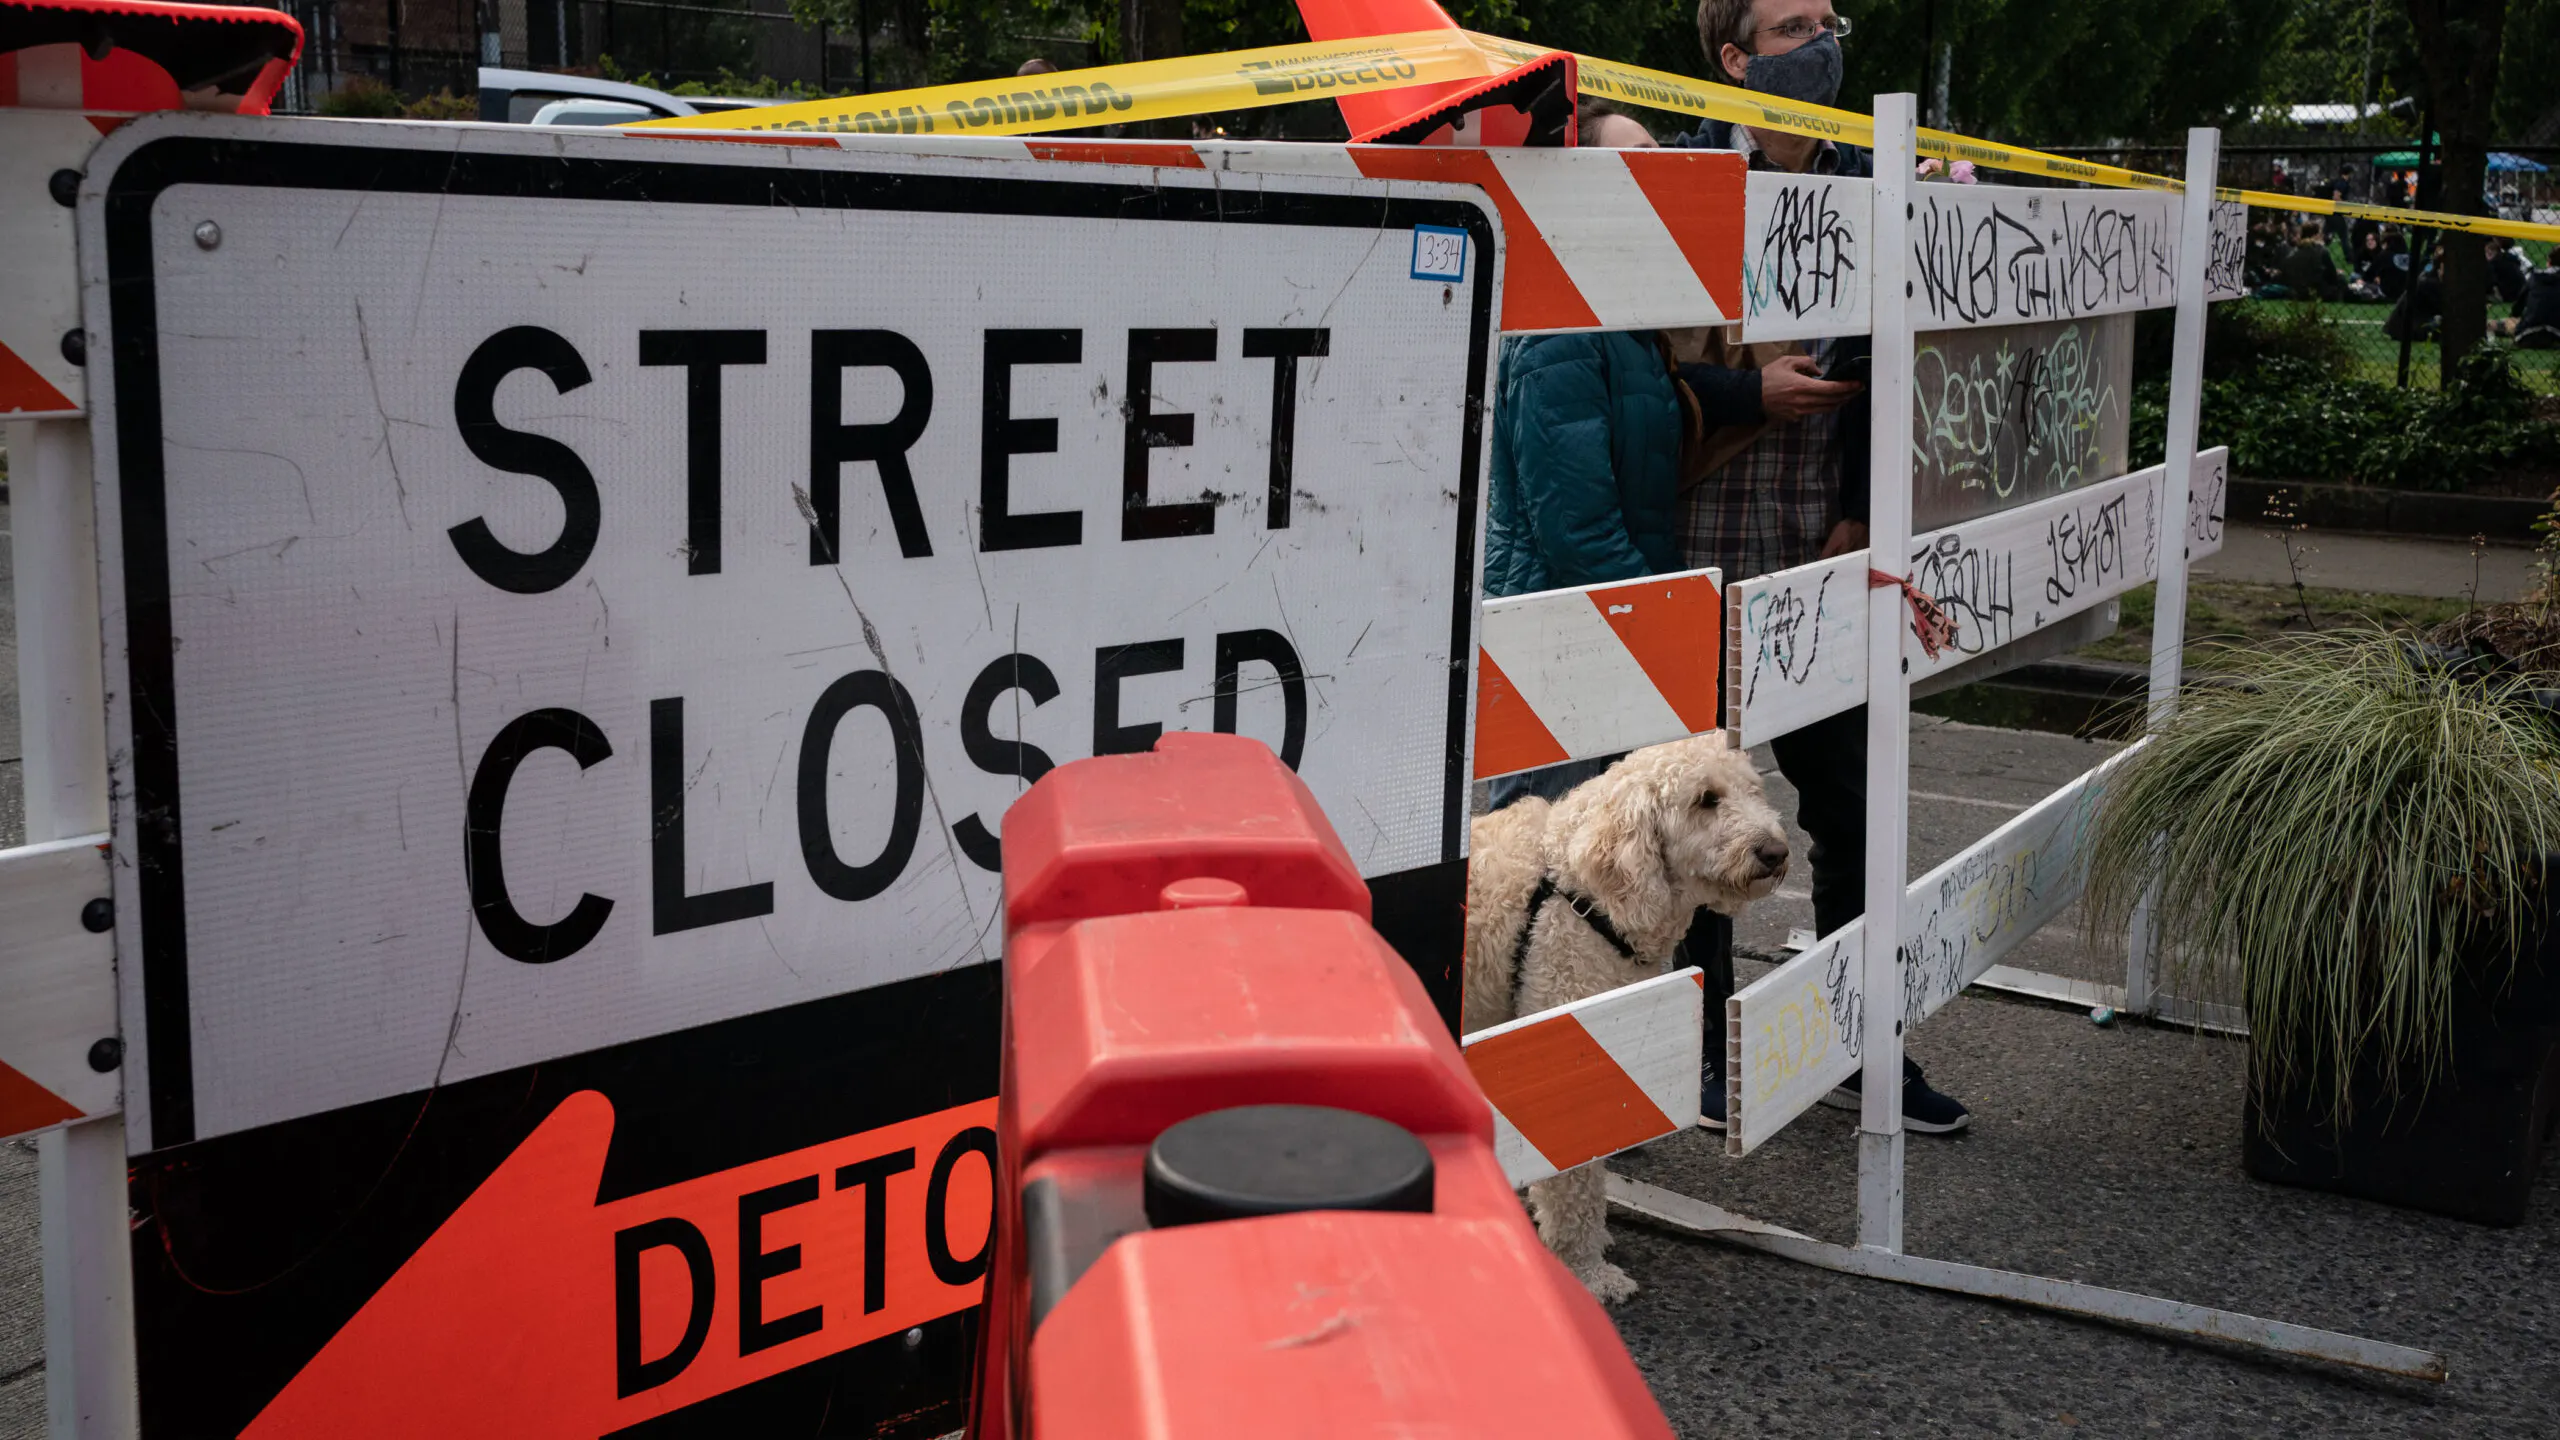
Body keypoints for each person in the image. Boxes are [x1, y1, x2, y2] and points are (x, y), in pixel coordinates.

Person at [1664, 0, 1971, 1135]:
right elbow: (1613, 366)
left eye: (1829, 18)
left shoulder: (1867, 183)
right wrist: (1750, 393)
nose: (1824, 39)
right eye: (1795, 23)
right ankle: (1703, 1049)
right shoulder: (1677, 180)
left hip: (1823, 546)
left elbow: (1896, 371)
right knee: (1707, 812)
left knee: (1850, 799)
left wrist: (1854, 511)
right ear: (1736, 59)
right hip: (1703, 541)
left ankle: (1858, 1042)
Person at [1480, 106, 1687, 810]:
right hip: (1561, 642)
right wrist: (1659, 623)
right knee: (1545, 863)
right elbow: (1576, 529)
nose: (1655, 170)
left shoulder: (1623, 314)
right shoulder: (1564, 324)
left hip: (1603, 627)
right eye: (1632, 157)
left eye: (1660, 152)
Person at [2278, 220, 2347, 302]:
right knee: (2341, 278)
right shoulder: (2321, 250)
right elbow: (2332, 276)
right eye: (2320, 233)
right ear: (2316, 235)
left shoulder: (2293, 252)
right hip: (2318, 291)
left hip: (2296, 291)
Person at [2490, 238, 2530, 311]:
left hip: (2510, 294)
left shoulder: (2494, 262)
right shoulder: (2516, 253)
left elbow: (2492, 281)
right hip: (2525, 287)